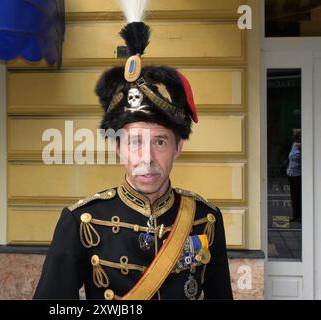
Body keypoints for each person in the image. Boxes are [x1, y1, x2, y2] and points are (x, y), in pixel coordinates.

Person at [34, 1, 233, 300]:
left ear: (179, 147)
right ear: (118, 147)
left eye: (160, 141)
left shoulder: (206, 218)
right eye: (135, 141)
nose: (146, 158)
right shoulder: (80, 221)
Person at [287, 129, 301, 222]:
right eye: (293, 135)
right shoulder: (293, 145)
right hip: (291, 173)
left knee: (298, 196)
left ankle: (299, 216)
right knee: (293, 196)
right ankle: (295, 215)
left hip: (298, 174)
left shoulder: (302, 146)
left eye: (295, 135)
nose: (293, 136)